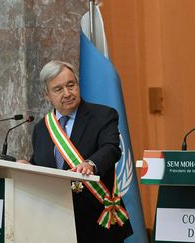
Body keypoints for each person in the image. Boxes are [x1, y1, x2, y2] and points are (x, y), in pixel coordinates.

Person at [21, 60, 133, 242]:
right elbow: (41, 164)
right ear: (46, 95)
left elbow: (111, 148)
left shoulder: (103, 115)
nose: (67, 93)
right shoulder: (41, 128)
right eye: (58, 89)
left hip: (95, 222)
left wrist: (90, 164)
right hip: (54, 223)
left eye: (70, 85)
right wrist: (27, 166)